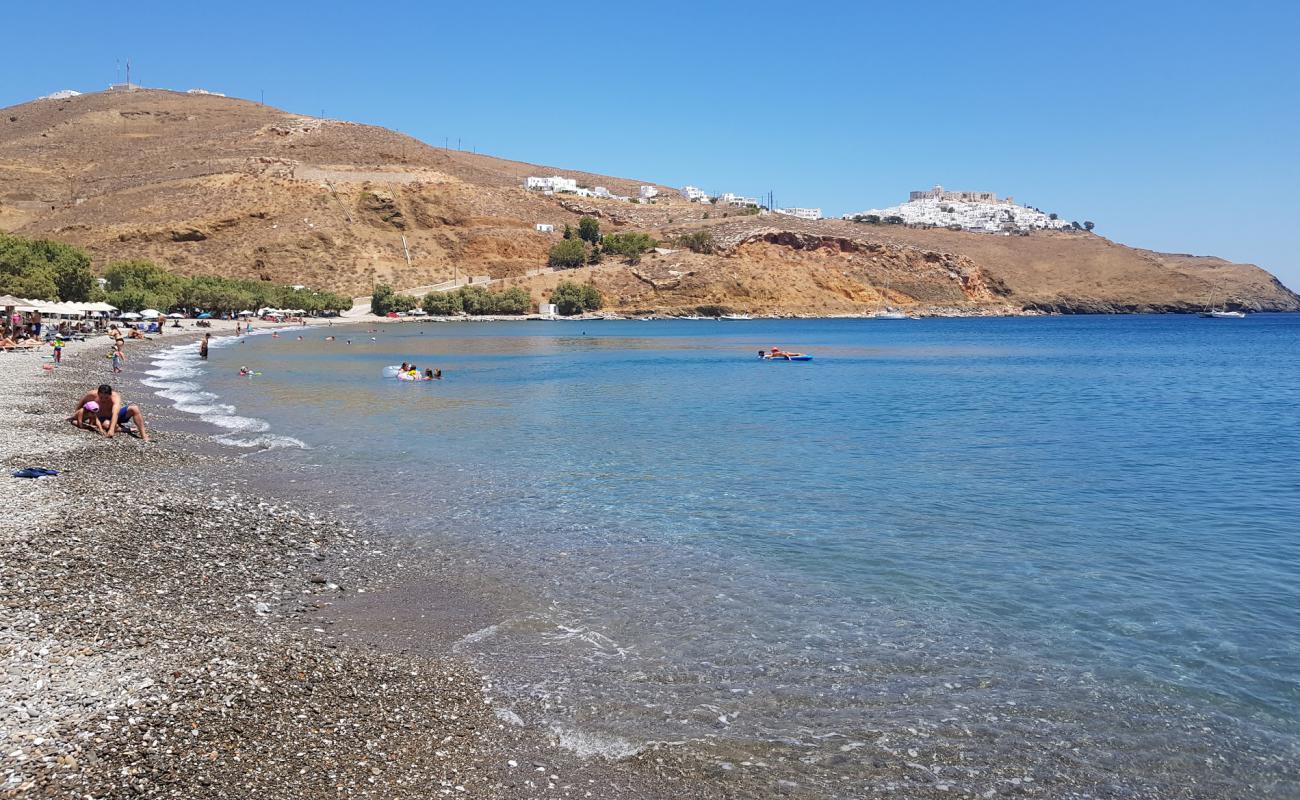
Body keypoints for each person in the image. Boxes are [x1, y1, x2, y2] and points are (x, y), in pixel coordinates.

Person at [70, 384, 150, 442]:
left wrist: (111, 430)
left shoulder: (115, 398)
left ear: (110, 395)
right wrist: (75, 415)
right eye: (101, 397)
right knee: (106, 424)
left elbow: (115, 414)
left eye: (106, 398)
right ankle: (123, 429)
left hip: (115, 416)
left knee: (134, 408)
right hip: (101, 418)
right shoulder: (92, 394)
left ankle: (143, 435)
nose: (104, 399)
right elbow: (82, 402)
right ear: (98, 394)